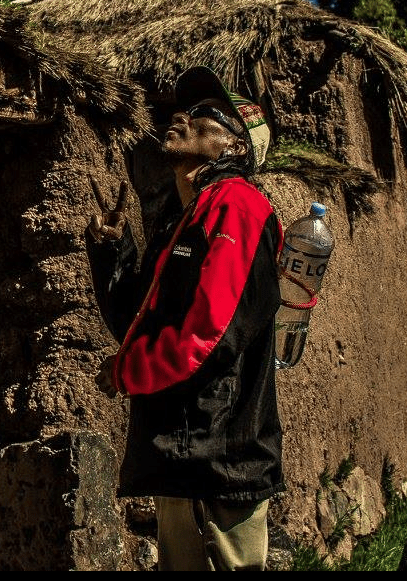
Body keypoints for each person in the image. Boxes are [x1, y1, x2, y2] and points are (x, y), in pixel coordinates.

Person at [85, 66, 283, 571]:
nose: (183, 116)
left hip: (221, 455)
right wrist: (112, 251)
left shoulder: (238, 204)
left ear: (235, 146)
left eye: (204, 115)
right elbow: (137, 324)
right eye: (185, 110)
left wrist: (126, 371)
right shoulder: (183, 221)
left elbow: (211, 334)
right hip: (183, 451)